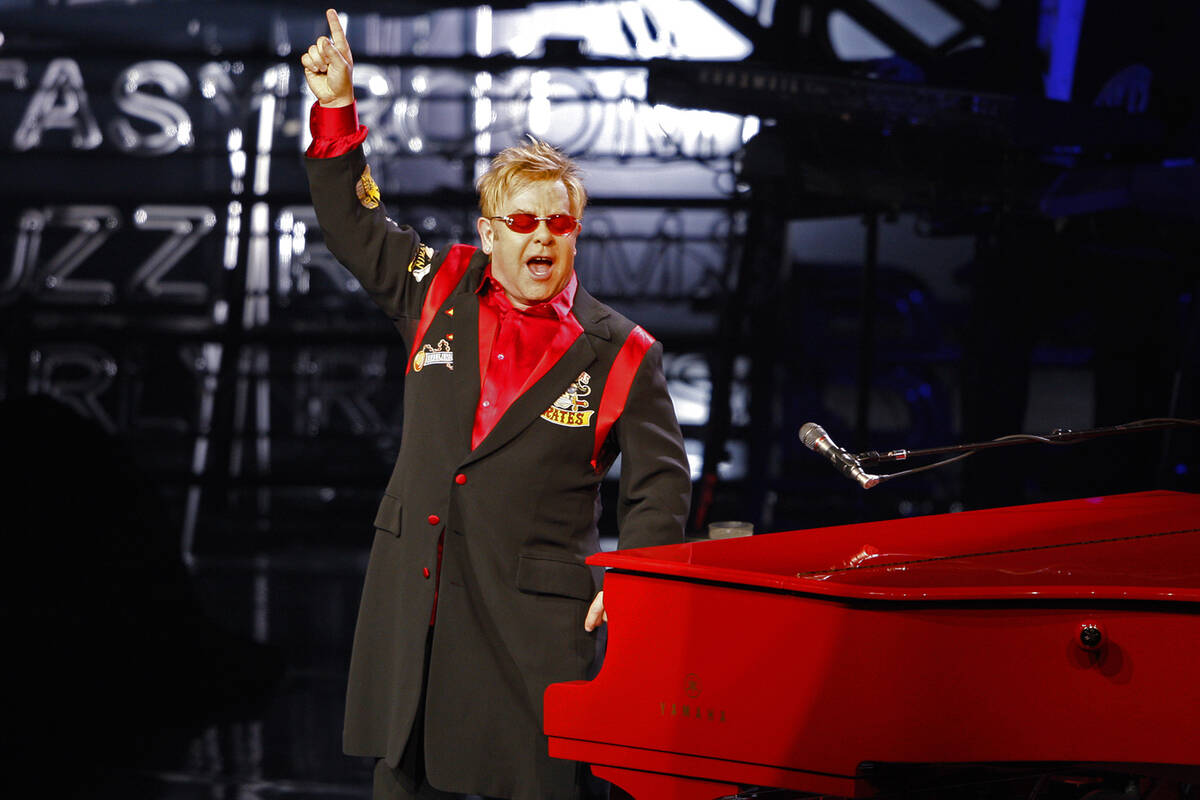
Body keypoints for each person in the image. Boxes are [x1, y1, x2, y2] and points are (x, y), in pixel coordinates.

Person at [301, 9, 691, 800]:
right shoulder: (437, 287)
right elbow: (351, 223)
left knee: (536, 784)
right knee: (404, 779)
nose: (542, 237)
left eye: (559, 222)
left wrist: (635, 576)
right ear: (488, 234)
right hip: (423, 596)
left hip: (533, 625)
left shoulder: (624, 351)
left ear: (575, 235)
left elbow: (660, 485)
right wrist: (337, 107)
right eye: (522, 222)